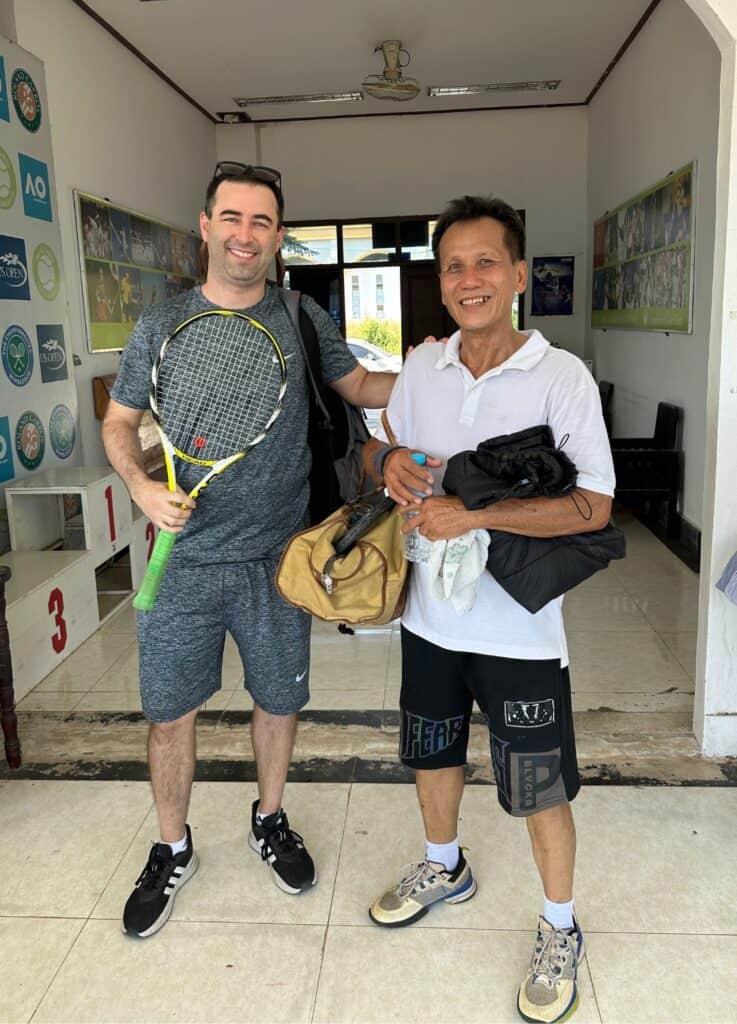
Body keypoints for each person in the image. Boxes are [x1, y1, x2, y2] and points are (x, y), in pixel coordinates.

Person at [102, 162, 396, 939]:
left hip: (278, 559)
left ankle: (270, 818)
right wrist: (139, 488)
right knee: (170, 715)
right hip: (186, 561)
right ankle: (172, 847)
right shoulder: (159, 327)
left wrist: (444, 366)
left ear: (276, 236)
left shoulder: (300, 315)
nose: (245, 235)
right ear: (205, 226)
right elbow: (118, 423)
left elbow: (360, 390)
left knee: (279, 701)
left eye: (261, 222)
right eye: (231, 218)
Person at [364, 195, 615, 1024]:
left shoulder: (559, 375)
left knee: (538, 785)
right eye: (452, 267)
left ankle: (558, 925)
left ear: (515, 275)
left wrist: (473, 514)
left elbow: (594, 507)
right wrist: (388, 457)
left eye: (484, 263)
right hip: (428, 621)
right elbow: (377, 446)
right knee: (431, 756)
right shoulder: (423, 370)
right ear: (441, 284)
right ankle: (445, 865)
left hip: (519, 634)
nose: (468, 279)